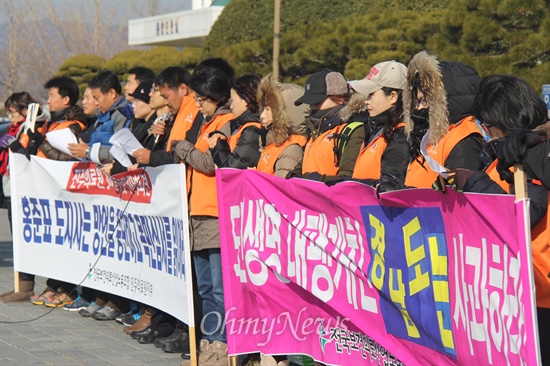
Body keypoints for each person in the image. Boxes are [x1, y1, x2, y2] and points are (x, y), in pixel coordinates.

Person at [441, 75, 549, 364]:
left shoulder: (532, 153)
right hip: (512, 294)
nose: (484, 132)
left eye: (486, 126)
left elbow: (523, 213)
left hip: (538, 296)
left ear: (502, 120)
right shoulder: (509, 153)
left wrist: (472, 181)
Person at [171, 67, 235, 366]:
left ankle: (222, 346)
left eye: (199, 97)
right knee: (206, 288)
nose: (196, 102)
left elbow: (210, 163)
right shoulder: (208, 122)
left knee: (220, 289)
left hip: (216, 213)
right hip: (198, 211)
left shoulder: (227, 122)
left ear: (212, 96)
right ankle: (209, 344)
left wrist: (183, 147)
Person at [403, 51, 485, 188]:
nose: (418, 109)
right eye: (418, 103)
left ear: (444, 101)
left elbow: (460, 199)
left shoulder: (464, 138)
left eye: (425, 101)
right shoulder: (432, 134)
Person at [0, 92, 48, 303]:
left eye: (13, 112)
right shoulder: (13, 129)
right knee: (17, 239)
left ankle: (27, 286)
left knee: (25, 239)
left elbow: (28, 153)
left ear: (24, 110)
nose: (10, 117)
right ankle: (22, 285)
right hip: (12, 188)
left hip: (26, 189)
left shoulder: (32, 127)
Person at [287, 68, 365, 181]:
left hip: (332, 198)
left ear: (340, 99)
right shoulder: (313, 131)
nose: (312, 107)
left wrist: (310, 180)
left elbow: (347, 180)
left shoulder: (354, 130)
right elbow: (301, 168)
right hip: (309, 197)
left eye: (316, 102)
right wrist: (293, 177)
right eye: (310, 103)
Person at [349, 61, 410, 191]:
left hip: (379, 210)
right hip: (365, 209)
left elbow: (390, 186)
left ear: (393, 97)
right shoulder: (374, 127)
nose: (366, 101)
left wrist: (349, 184)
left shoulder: (400, 134)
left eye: (372, 94)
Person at [67, 69, 134, 164]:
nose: (96, 103)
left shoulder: (124, 114)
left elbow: (122, 152)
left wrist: (87, 151)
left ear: (112, 93)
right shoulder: (102, 115)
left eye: (97, 98)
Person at [256, 76, 308, 177]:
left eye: (267, 109)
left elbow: (280, 188)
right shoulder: (276, 142)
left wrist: (255, 179)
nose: (262, 115)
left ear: (284, 112)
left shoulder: (291, 149)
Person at [208, 74, 262, 169]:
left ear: (245, 101)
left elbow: (231, 168)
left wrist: (218, 145)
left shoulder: (252, 131)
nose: (231, 106)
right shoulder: (243, 127)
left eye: (233, 100)